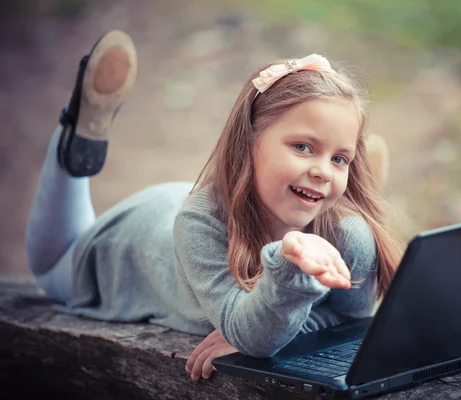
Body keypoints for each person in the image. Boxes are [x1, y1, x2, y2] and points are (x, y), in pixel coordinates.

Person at [25, 30, 402, 382]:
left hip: (205, 198)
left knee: (353, 229)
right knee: (49, 265)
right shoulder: (198, 222)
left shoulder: (348, 236)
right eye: (303, 147)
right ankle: (73, 134)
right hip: (123, 241)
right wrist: (289, 270)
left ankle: (358, 196)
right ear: (248, 141)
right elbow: (254, 339)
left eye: (340, 159)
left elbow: (349, 321)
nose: (322, 172)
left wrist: (267, 324)